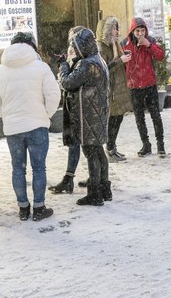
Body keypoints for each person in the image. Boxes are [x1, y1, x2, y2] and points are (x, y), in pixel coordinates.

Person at [0, 30, 61, 221]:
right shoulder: (41, 67)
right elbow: (54, 95)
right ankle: (39, 208)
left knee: (18, 169)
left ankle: (22, 208)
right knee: (39, 168)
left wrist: (6, 116)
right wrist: (45, 114)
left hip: (13, 128)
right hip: (37, 126)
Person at [58, 28, 111, 206]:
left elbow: (67, 82)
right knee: (98, 150)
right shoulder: (99, 60)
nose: (75, 50)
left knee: (90, 152)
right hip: (98, 113)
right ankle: (105, 188)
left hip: (88, 114)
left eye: (76, 46)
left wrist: (63, 65)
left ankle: (95, 192)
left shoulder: (87, 64)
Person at [48, 27, 85, 195]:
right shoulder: (81, 58)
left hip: (81, 107)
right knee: (77, 143)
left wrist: (63, 65)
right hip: (76, 106)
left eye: (73, 41)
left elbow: (68, 82)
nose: (71, 45)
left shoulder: (84, 60)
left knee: (87, 144)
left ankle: (95, 178)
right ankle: (71, 178)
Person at [123, 18, 167, 157]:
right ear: (132, 31)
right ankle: (146, 144)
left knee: (156, 116)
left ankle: (160, 145)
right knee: (139, 117)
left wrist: (149, 45)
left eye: (142, 31)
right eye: (137, 31)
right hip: (135, 86)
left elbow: (160, 56)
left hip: (149, 85)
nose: (140, 33)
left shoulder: (151, 41)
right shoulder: (125, 44)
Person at [98, 17, 134, 162]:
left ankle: (113, 148)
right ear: (107, 30)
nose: (116, 31)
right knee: (113, 120)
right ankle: (110, 149)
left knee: (117, 119)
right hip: (111, 91)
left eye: (116, 28)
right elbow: (103, 68)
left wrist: (123, 57)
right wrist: (121, 60)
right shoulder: (101, 47)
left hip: (119, 89)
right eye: (113, 28)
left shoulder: (115, 44)